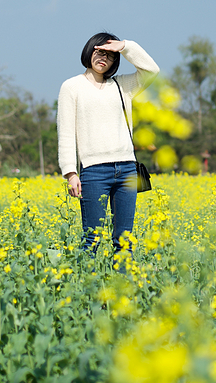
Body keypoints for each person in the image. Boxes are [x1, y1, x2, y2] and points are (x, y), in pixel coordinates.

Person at [57, 32, 159, 253]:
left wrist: (125, 46)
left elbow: (152, 70)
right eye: (99, 52)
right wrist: (70, 172)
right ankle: (87, 287)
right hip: (93, 172)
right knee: (91, 240)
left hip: (127, 170)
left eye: (110, 55)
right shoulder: (71, 87)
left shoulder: (123, 86)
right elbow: (65, 132)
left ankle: (125, 287)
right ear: (89, 51)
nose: (104, 58)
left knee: (124, 241)